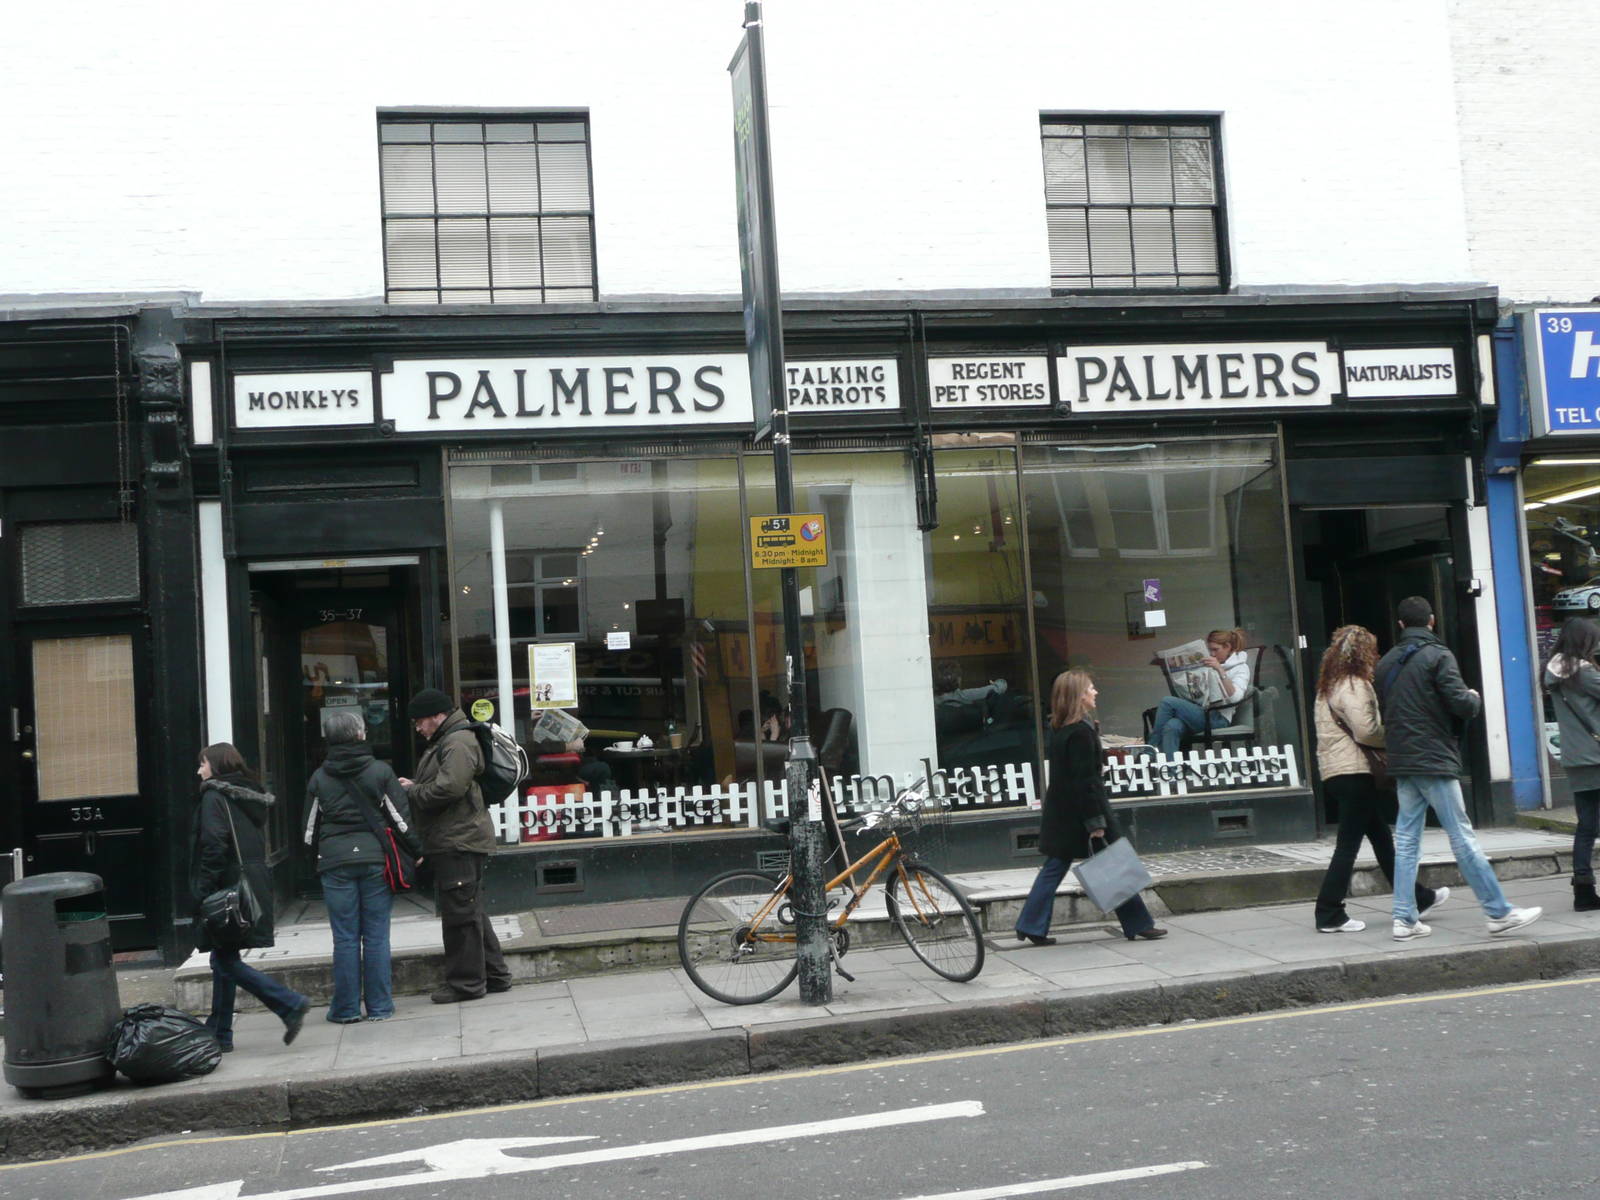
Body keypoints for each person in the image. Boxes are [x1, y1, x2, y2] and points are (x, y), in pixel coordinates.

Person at [1380, 596, 1541, 941]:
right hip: (1434, 760)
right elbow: (1460, 704)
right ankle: (1498, 912)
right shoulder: (1439, 655)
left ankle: (1404, 919)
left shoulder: (1387, 662)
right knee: (1462, 836)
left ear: (1401, 625)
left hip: (1402, 761)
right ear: (1432, 621)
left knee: (1407, 841)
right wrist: (1473, 696)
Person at [1015, 669, 1168, 946]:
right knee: (1113, 866)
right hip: (1084, 814)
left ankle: (1030, 924)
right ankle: (1139, 924)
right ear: (1079, 696)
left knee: (1055, 868)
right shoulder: (1080, 733)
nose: (1095, 692)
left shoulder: (1062, 729)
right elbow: (1086, 782)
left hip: (1065, 813)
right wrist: (1096, 822)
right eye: (1091, 688)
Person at [1311, 625, 1448, 933]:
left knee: (1382, 839)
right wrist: (1394, 738)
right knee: (1347, 846)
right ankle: (1329, 912)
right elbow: (1366, 731)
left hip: (1339, 772)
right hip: (1356, 772)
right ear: (1363, 654)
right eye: (1372, 651)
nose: (1376, 656)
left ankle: (1418, 897)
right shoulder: (1353, 684)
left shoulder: (1328, 686)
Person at [303, 710, 424, 1023]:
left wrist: (318, 859)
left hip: (335, 863)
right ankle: (380, 1007)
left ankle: (345, 1010)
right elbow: (400, 819)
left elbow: (309, 830)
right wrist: (417, 850)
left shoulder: (319, 777)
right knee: (376, 936)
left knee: (344, 938)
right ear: (359, 735)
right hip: (375, 861)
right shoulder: (380, 771)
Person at [189, 743, 309, 1051]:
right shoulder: (247, 796)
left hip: (227, 884)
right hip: (250, 883)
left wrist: (203, 890)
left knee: (225, 960)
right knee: (223, 956)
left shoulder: (215, 796)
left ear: (215, 765)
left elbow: (215, 844)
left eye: (202, 764)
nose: (199, 770)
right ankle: (220, 1032)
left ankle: (289, 1003)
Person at [399, 688, 514, 1003]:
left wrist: (413, 792)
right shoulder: (448, 740)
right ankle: (496, 975)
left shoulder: (458, 741)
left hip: (459, 839)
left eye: (420, 722)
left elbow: (449, 788)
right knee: (470, 908)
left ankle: (466, 984)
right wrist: (418, 787)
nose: (418, 728)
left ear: (437, 716)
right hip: (457, 837)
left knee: (459, 916)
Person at [1543, 616, 1600, 912]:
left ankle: (1583, 890)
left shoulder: (1555, 672)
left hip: (1577, 757)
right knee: (1589, 824)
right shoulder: (1585, 673)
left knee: (1587, 825)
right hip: (1597, 755)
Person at [1150, 628, 1251, 755]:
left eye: (1215, 649)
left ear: (1228, 647)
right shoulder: (1210, 663)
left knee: (1167, 702)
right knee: (1172, 726)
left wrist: (1220, 670)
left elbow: (1236, 698)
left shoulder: (1241, 667)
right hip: (1200, 711)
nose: (1212, 654)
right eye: (1210, 650)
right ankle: (1171, 772)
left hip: (1217, 718)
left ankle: (1150, 750)